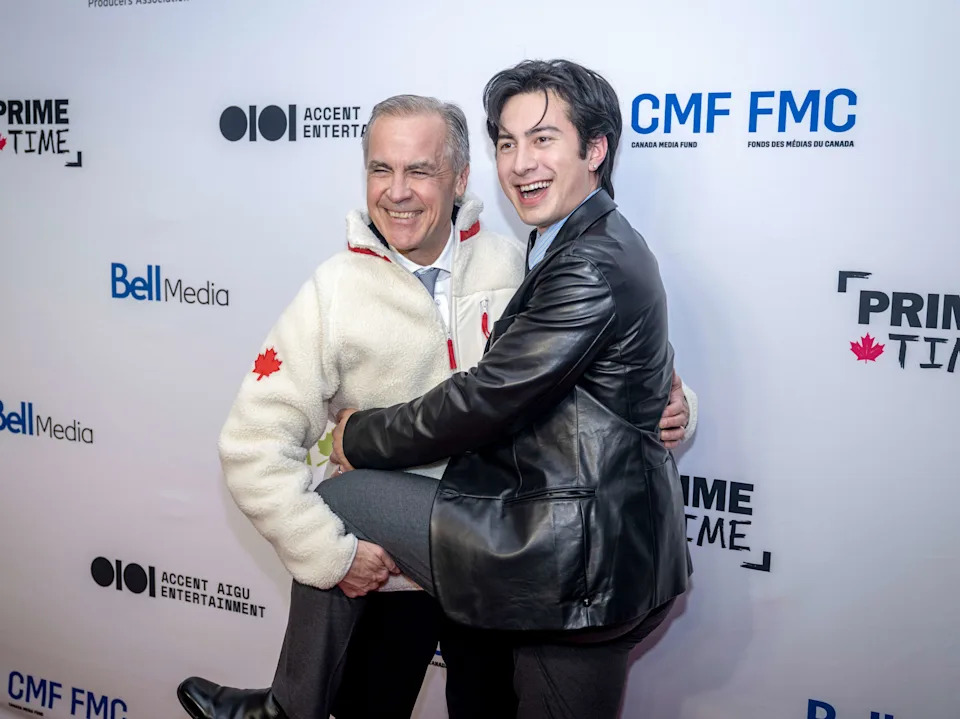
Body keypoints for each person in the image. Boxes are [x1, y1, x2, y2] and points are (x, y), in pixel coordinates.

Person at [177, 85, 696, 719]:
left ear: (458, 177)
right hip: (393, 574)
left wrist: (676, 406)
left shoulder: (520, 262)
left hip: (508, 548)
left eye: (419, 170)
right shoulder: (334, 291)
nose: (397, 191)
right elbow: (252, 443)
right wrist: (330, 554)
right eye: (380, 169)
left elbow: (597, 365)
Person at [325, 59, 693, 718]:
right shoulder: (567, 241)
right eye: (507, 142)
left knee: (343, 494)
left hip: (577, 563)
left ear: (597, 148)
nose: (522, 162)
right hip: (577, 546)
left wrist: (355, 434)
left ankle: (289, 704)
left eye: (544, 138)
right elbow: (608, 372)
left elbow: (485, 398)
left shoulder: (589, 261)